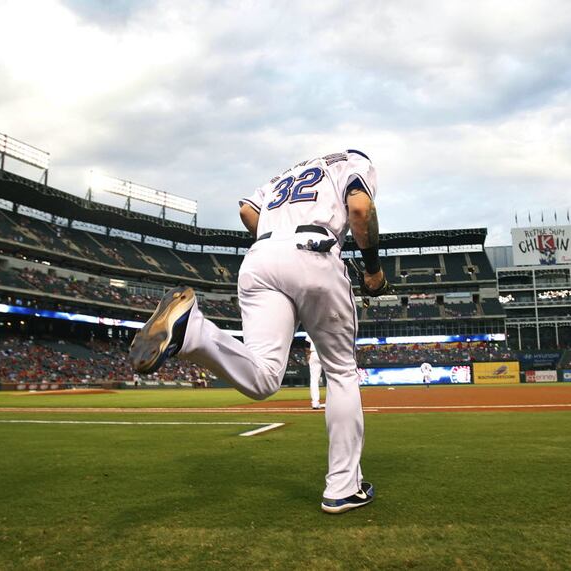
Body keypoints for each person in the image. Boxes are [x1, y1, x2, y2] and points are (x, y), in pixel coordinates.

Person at [129, 149, 388, 514]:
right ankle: (343, 487)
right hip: (314, 250)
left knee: (265, 377)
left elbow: (247, 211)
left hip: (261, 258)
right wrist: (373, 270)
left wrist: (278, 239)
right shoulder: (351, 160)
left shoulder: (284, 175)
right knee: (342, 373)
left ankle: (194, 335)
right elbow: (360, 209)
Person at [305, 336, 325, 409]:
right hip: (326, 354)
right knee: (332, 378)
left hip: (314, 353)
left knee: (314, 380)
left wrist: (307, 354)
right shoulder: (329, 326)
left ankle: (315, 403)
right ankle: (332, 402)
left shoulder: (311, 326)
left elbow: (307, 343)